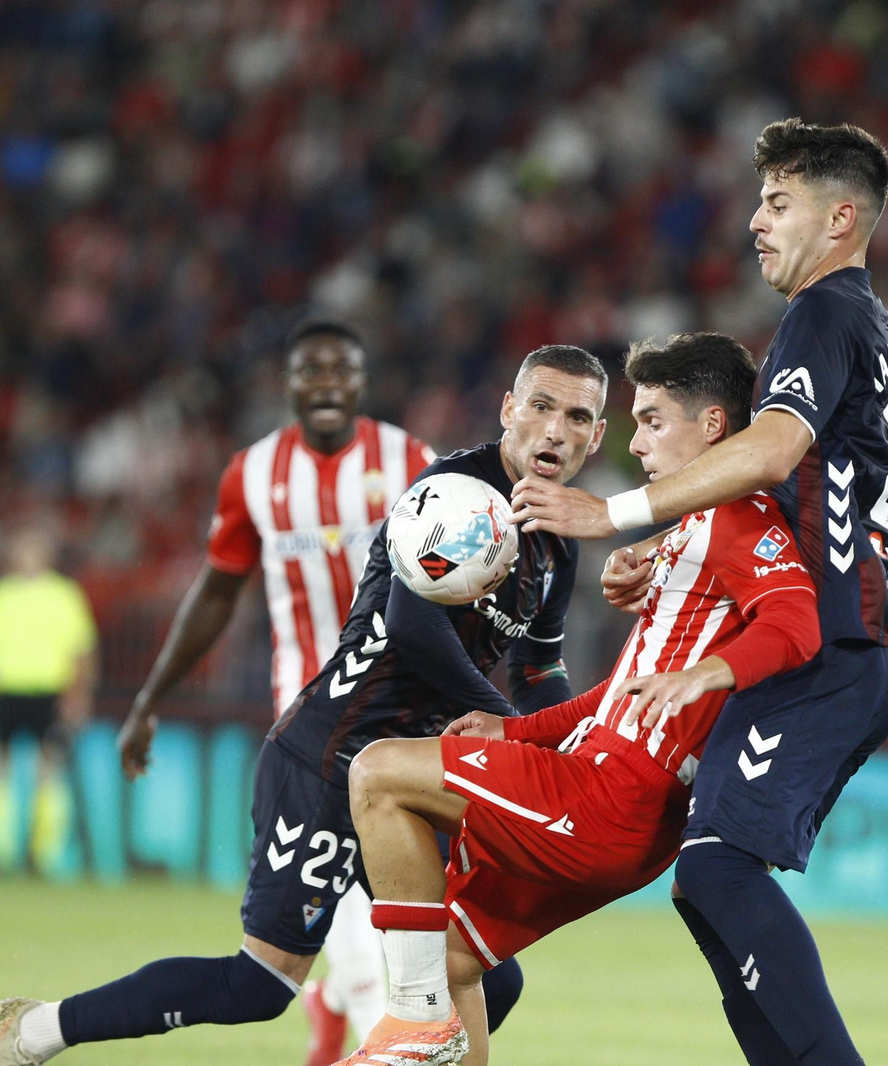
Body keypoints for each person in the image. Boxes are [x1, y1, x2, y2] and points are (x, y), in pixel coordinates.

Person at [0, 344, 603, 1066]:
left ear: (595, 432)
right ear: (509, 410)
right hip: (330, 757)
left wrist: (570, 736)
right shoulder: (458, 492)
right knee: (259, 987)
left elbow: (540, 663)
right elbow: (411, 625)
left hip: (406, 779)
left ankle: (354, 1026)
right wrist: (505, 717)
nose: (555, 430)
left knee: (487, 977)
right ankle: (36, 1031)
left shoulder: (559, 540)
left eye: (577, 416)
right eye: (542, 407)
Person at [511, 119, 888, 1065]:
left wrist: (613, 516)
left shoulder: (825, 312)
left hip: (830, 646)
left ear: (841, 216)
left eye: (779, 204)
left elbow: (772, 451)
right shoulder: (865, 327)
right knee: (705, 884)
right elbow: (798, 495)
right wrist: (675, 555)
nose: (754, 224)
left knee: (718, 869)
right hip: (847, 640)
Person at [333, 332, 821, 1066]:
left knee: (377, 773)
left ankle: (413, 1018)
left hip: (609, 798)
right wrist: (516, 732)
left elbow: (797, 622)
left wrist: (707, 676)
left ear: (713, 427)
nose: (638, 438)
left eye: (653, 419)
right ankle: (424, 1017)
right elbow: (614, 698)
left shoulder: (739, 515)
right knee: (449, 957)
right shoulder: (693, 527)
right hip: (612, 795)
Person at [112, 315, 436, 1064]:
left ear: (361, 381)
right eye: (310, 372)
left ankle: (329, 1003)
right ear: (286, 384)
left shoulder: (410, 461)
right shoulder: (253, 474)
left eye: (341, 371)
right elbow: (217, 592)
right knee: (356, 937)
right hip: (311, 728)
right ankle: (357, 1014)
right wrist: (148, 700)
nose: (326, 384)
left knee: (398, 907)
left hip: (401, 715)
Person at [0, 524, 98, 871]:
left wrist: (77, 696)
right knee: (0, 769)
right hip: (5, 690)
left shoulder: (65, 595)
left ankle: (40, 849)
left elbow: (82, 651)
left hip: (47, 691)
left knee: (46, 771)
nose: (28, 556)